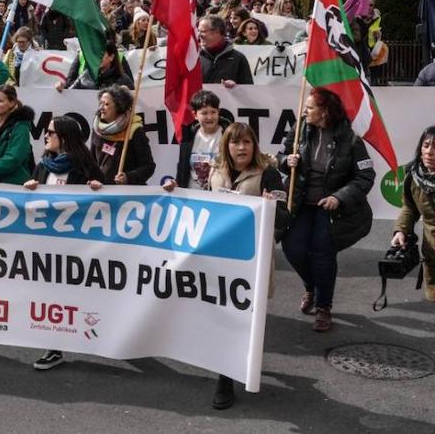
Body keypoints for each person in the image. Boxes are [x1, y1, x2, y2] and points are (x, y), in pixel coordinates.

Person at [166, 121, 285, 409]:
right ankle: (226, 378)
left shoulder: (268, 174)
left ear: (254, 145)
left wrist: (273, 207)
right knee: (221, 317)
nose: (241, 148)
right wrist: (174, 190)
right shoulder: (216, 170)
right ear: (226, 146)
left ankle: (239, 365)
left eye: (246, 142)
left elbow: (285, 218)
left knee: (245, 318)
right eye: (235, 142)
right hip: (218, 259)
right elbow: (203, 204)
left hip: (249, 260)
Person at [282, 87, 375, 332]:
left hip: (331, 209)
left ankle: (323, 307)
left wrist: (338, 197)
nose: (305, 111)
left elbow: (365, 176)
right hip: (302, 203)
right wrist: (286, 161)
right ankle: (311, 287)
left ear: (324, 112)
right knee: (293, 248)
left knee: (322, 252)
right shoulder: (300, 129)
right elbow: (282, 153)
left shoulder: (351, 139)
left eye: (310, 108)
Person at [24, 115, 105, 370]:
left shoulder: (84, 168)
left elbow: (111, 198)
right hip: (47, 244)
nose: (45, 136)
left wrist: (100, 189)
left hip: (78, 246)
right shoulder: (45, 164)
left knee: (78, 295)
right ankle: (55, 347)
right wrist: (27, 188)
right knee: (51, 295)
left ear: (65, 138)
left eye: (50, 132)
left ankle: (99, 336)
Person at [392, 126, 435, 304]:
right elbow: (409, 208)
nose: (430, 152)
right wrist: (400, 231)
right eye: (426, 145)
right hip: (431, 252)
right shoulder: (414, 176)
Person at [89, 84, 154, 186]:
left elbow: (148, 166)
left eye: (106, 104)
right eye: (100, 103)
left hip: (128, 194)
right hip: (102, 192)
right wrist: (93, 180)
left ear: (119, 107)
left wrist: (128, 177)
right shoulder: (97, 129)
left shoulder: (134, 131)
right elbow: (91, 163)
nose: (101, 107)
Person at [168, 89, 229, 190]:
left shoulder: (229, 135)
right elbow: (182, 169)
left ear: (218, 112)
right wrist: (175, 184)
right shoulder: (188, 136)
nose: (209, 117)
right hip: (193, 199)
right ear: (195, 115)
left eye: (213, 112)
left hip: (219, 197)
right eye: (204, 113)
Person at [198, 15, 253, 87]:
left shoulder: (238, 58)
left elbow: (249, 88)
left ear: (217, 32)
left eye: (202, 31)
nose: (198, 34)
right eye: (198, 31)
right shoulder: (194, 58)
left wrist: (236, 87)